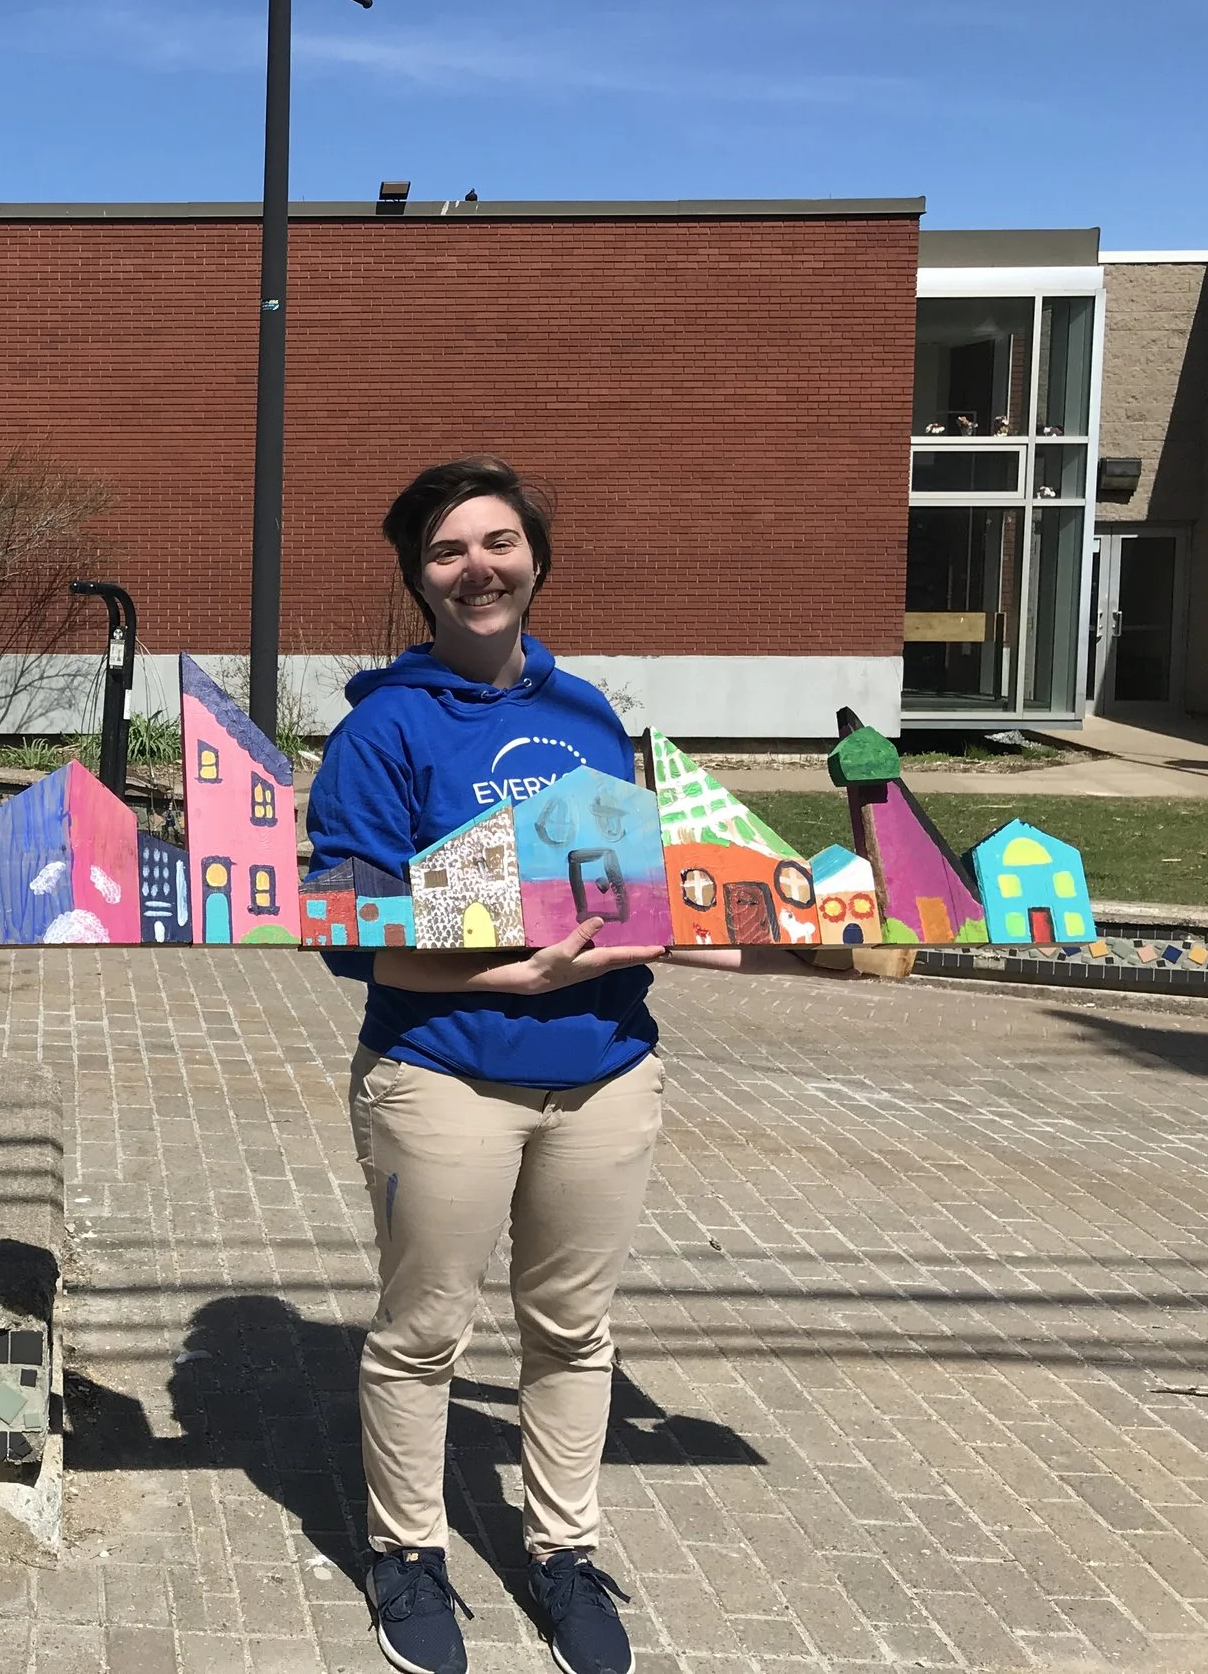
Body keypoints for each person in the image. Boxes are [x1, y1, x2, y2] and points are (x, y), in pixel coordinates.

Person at [307, 455, 849, 1674]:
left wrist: (757, 948)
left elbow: (638, 892)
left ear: (536, 561)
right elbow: (347, 928)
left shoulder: (591, 716)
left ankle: (562, 1553)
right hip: (443, 1070)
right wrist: (499, 979)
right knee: (422, 1330)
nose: (477, 567)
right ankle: (408, 1554)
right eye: (448, 551)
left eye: (498, 542)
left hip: (605, 1071)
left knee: (572, 1329)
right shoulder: (382, 729)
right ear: (418, 580)